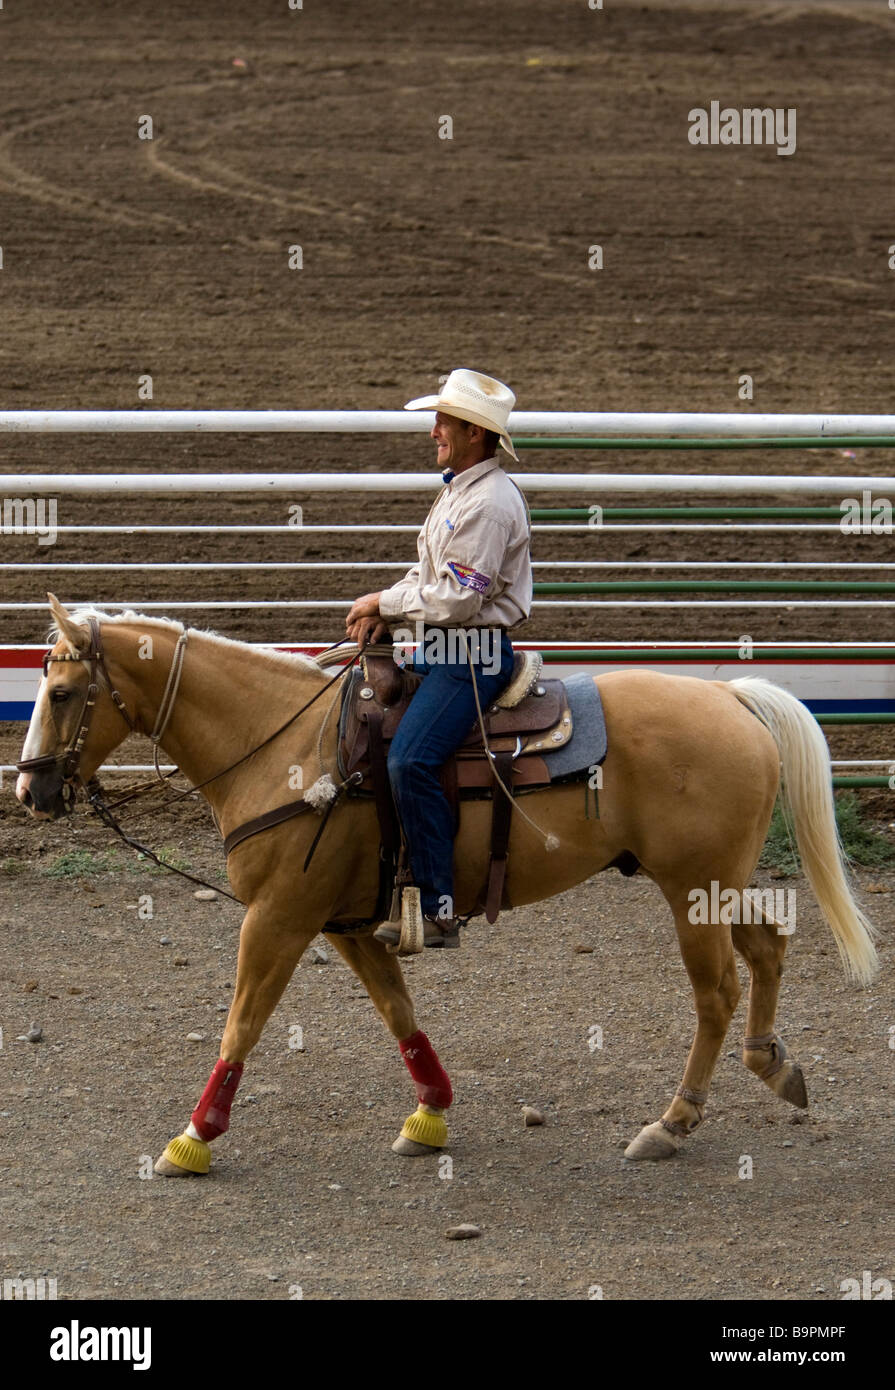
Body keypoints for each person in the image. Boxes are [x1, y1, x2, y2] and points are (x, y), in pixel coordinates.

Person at [345, 368, 533, 948]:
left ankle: (439, 903)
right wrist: (391, 608)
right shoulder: (461, 489)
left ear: (476, 432)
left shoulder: (488, 504)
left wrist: (385, 602)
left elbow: (458, 598)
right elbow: (431, 575)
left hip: (470, 657)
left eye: (444, 421)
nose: (434, 431)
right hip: (446, 649)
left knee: (409, 761)